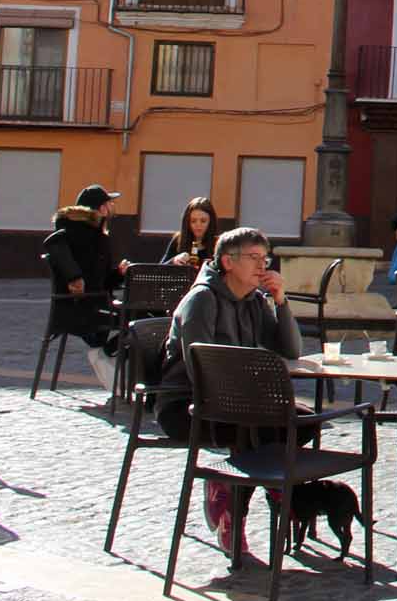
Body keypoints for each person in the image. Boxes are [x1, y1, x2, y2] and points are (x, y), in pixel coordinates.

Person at [156, 227, 303, 564]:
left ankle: (229, 485)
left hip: (239, 403)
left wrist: (281, 301)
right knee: (264, 430)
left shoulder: (252, 301)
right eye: (253, 258)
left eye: (265, 258)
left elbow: (291, 349)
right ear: (227, 262)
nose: (262, 266)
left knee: (303, 421)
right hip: (188, 406)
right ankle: (236, 513)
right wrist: (252, 398)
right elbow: (200, 371)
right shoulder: (201, 301)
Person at [44, 183, 131, 390]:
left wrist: (119, 273)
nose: (112, 207)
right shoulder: (77, 232)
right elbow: (53, 243)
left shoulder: (96, 236)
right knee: (141, 321)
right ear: (101, 208)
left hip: (92, 304)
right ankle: (105, 353)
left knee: (143, 317)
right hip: (83, 310)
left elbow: (101, 281)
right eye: (110, 203)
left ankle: (106, 355)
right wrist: (74, 277)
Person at [161, 196, 220, 266]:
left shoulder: (218, 243)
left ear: (211, 222)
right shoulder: (178, 239)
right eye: (193, 221)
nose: (198, 225)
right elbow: (159, 270)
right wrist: (174, 261)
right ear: (187, 222)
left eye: (203, 221)